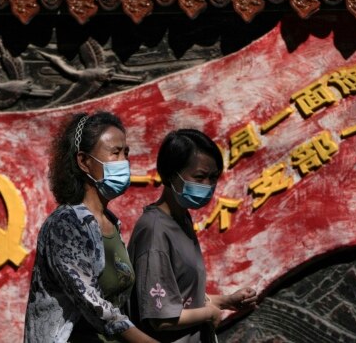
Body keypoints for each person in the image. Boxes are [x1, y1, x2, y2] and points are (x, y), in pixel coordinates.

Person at [24, 112, 156, 343]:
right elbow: (94, 304)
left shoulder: (111, 222)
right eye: (115, 153)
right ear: (84, 161)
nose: (124, 161)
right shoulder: (65, 225)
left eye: (126, 153)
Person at [127, 129, 258, 342]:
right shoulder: (154, 231)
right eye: (199, 176)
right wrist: (210, 313)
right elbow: (160, 318)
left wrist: (226, 301)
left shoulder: (182, 219)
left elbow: (179, 297)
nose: (207, 185)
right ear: (170, 174)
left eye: (213, 177)